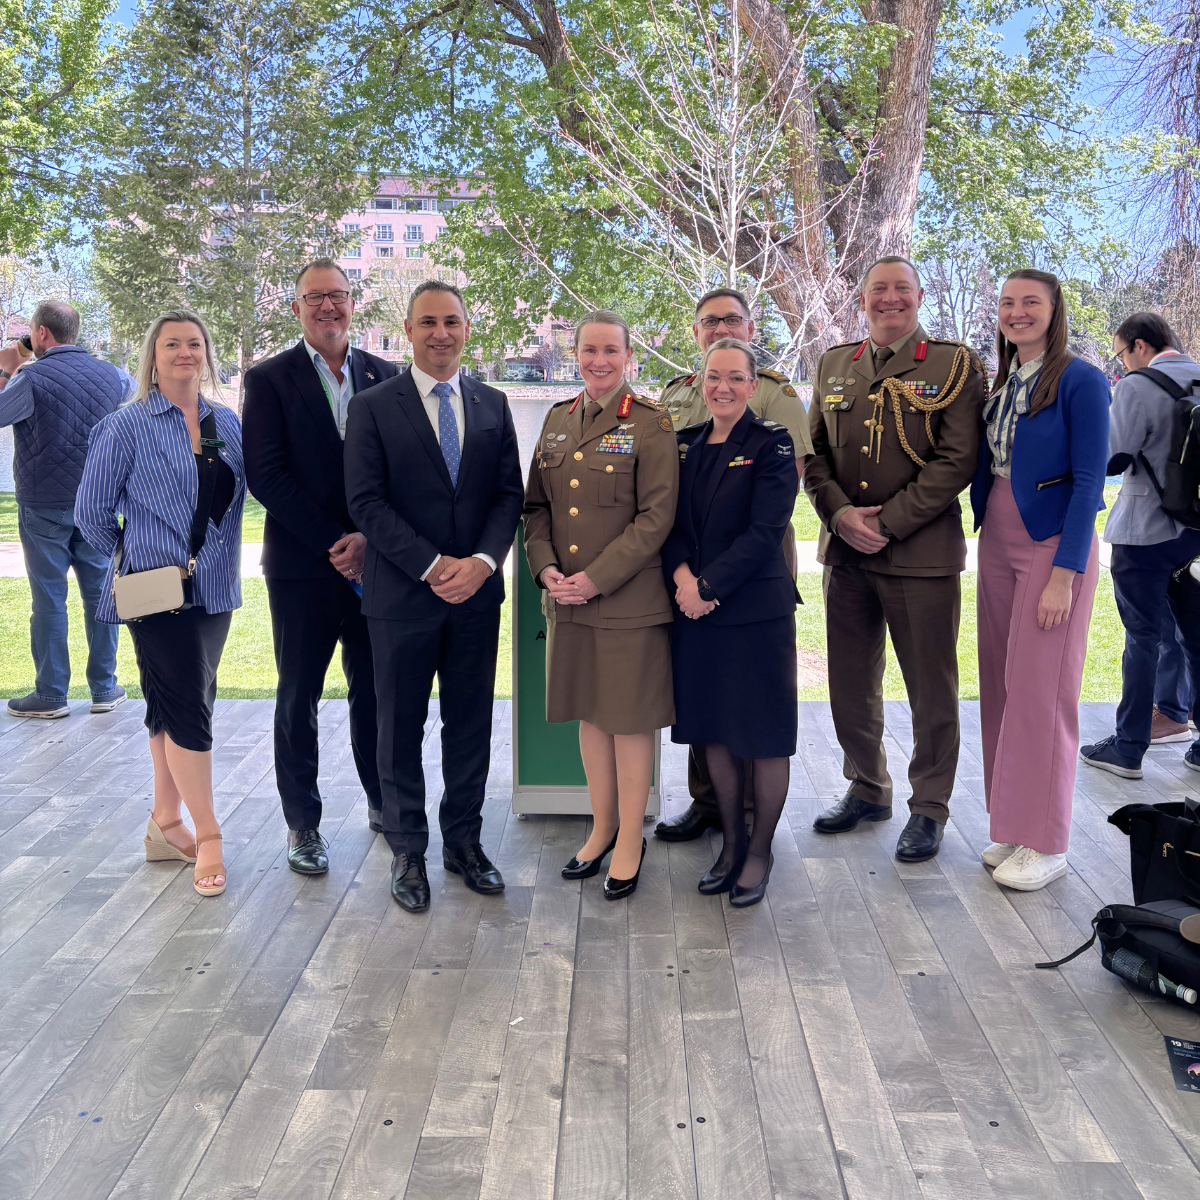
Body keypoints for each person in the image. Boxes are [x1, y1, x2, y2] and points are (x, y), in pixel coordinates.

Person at [345, 280, 523, 913]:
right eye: (428, 322)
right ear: (409, 329)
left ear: (467, 327)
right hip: (402, 596)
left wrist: (479, 563)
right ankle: (408, 850)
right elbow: (365, 500)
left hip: (475, 597)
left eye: (452, 321)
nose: (440, 332)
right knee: (398, 728)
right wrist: (430, 564)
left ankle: (464, 843)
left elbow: (509, 496)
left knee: (470, 723)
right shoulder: (371, 406)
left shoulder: (493, 403)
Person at [804, 256, 986, 862]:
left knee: (930, 688)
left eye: (900, 289)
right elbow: (815, 458)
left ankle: (929, 807)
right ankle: (868, 786)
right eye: (877, 290)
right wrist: (839, 516)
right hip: (847, 553)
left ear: (919, 294)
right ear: (863, 299)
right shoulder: (834, 363)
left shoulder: (952, 364)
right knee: (851, 685)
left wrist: (888, 521)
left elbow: (957, 460)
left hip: (920, 554)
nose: (889, 299)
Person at [75, 310, 245, 897]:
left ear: (207, 353)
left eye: (194, 343)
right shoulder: (124, 426)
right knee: (188, 708)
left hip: (215, 587)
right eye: (171, 343)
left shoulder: (225, 422)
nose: (184, 352)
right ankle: (210, 834)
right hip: (154, 594)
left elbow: (233, 500)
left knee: (179, 702)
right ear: (151, 355)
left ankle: (164, 824)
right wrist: (140, 555)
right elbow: (90, 516)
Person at [242, 259, 398, 876]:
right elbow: (266, 475)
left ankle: (384, 802)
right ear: (297, 308)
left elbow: (399, 471)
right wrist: (337, 540)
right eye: (315, 298)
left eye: (338, 296)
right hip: (303, 567)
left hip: (377, 566)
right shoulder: (269, 379)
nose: (327, 307)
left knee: (376, 692)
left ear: (353, 303)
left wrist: (368, 539)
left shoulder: (385, 375)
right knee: (298, 694)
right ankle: (302, 824)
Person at [524, 310, 679, 899]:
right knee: (591, 714)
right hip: (568, 600)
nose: (599, 361)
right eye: (590, 350)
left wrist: (596, 578)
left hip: (628, 601)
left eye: (611, 350)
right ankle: (603, 826)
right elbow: (536, 508)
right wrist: (547, 571)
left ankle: (631, 840)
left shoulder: (651, 423)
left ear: (628, 356)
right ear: (576, 353)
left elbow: (657, 517)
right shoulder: (558, 420)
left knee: (630, 720)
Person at [655, 286, 814, 845]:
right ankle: (711, 807)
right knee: (708, 712)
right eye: (708, 321)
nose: (722, 386)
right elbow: (663, 505)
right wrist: (684, 581)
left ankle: (750, 828)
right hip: (691, 582)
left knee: (756, 716)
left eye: (731, 319)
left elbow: (770, 515)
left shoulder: (774, 410)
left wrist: (710, 585)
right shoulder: (678, 407)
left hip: (751, 576)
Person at [971, 270, 1109, 890]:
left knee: (1044, 693)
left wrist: (1065, 575)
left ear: (1055, 312)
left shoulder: (1081, 380)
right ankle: (1015, 823)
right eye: (1007, 303)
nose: (1017, 312)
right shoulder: (1004, 380)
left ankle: (1048, 839)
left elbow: (1089, 484)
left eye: (1031, 302)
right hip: (997, 535)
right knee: (1003, 685)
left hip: (1052, 543)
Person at [0, 302, 134, 719]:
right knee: (100, 595)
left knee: (49, 599)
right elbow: (136, 407)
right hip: (99, 503)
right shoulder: (114, 376)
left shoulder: (31, 378)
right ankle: (105, 689)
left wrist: (7, 368)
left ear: (41, 334)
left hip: (44, 506)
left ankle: (52, 694)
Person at [1080, 311, 1200, 778]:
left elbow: (1111, 457)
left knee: (1142, 640)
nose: (1122, 364)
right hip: (1195, 531)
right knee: (1196, 639)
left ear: (1139, 346)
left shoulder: (1138, 385)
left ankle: (1128, 747)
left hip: (1145, 532)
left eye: (1120, 354)